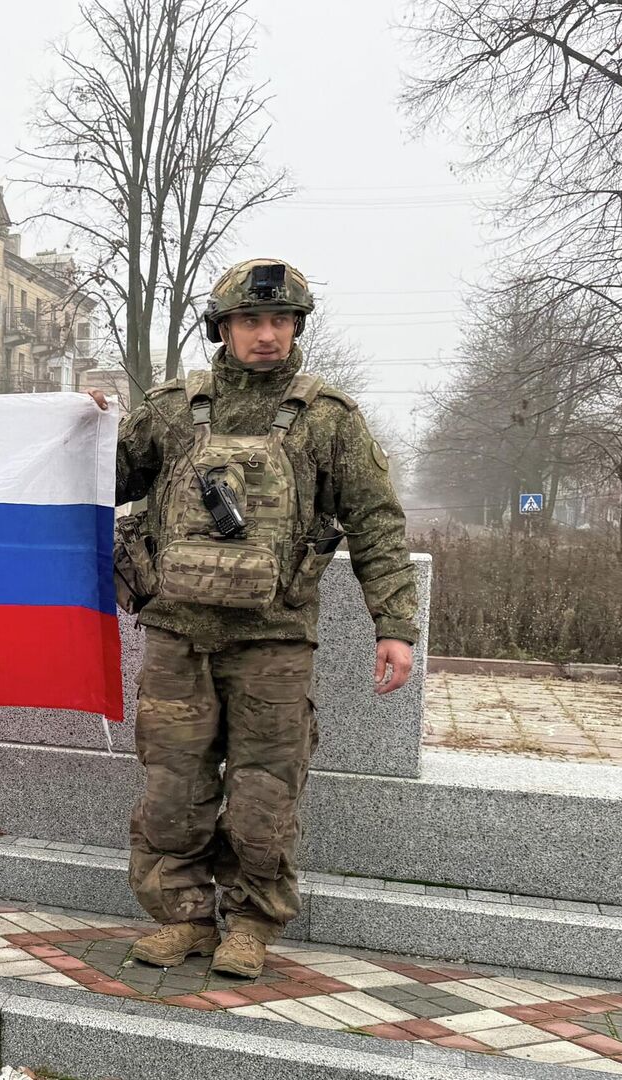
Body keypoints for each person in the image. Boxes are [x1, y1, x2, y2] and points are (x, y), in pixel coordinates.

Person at [87, 259, 416, 978]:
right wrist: (84, 423)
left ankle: (251, 925)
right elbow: (99, 480)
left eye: (280, 321)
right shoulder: (171, 410)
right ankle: (183, 918)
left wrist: (394, 625)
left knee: (264, 795)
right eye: (250, 321)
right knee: (173, 790)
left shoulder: (328, 418)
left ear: (296, 326)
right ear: (223, 328)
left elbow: (377, 523)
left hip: (275, 641)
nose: (267, 335)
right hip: (177, 634)